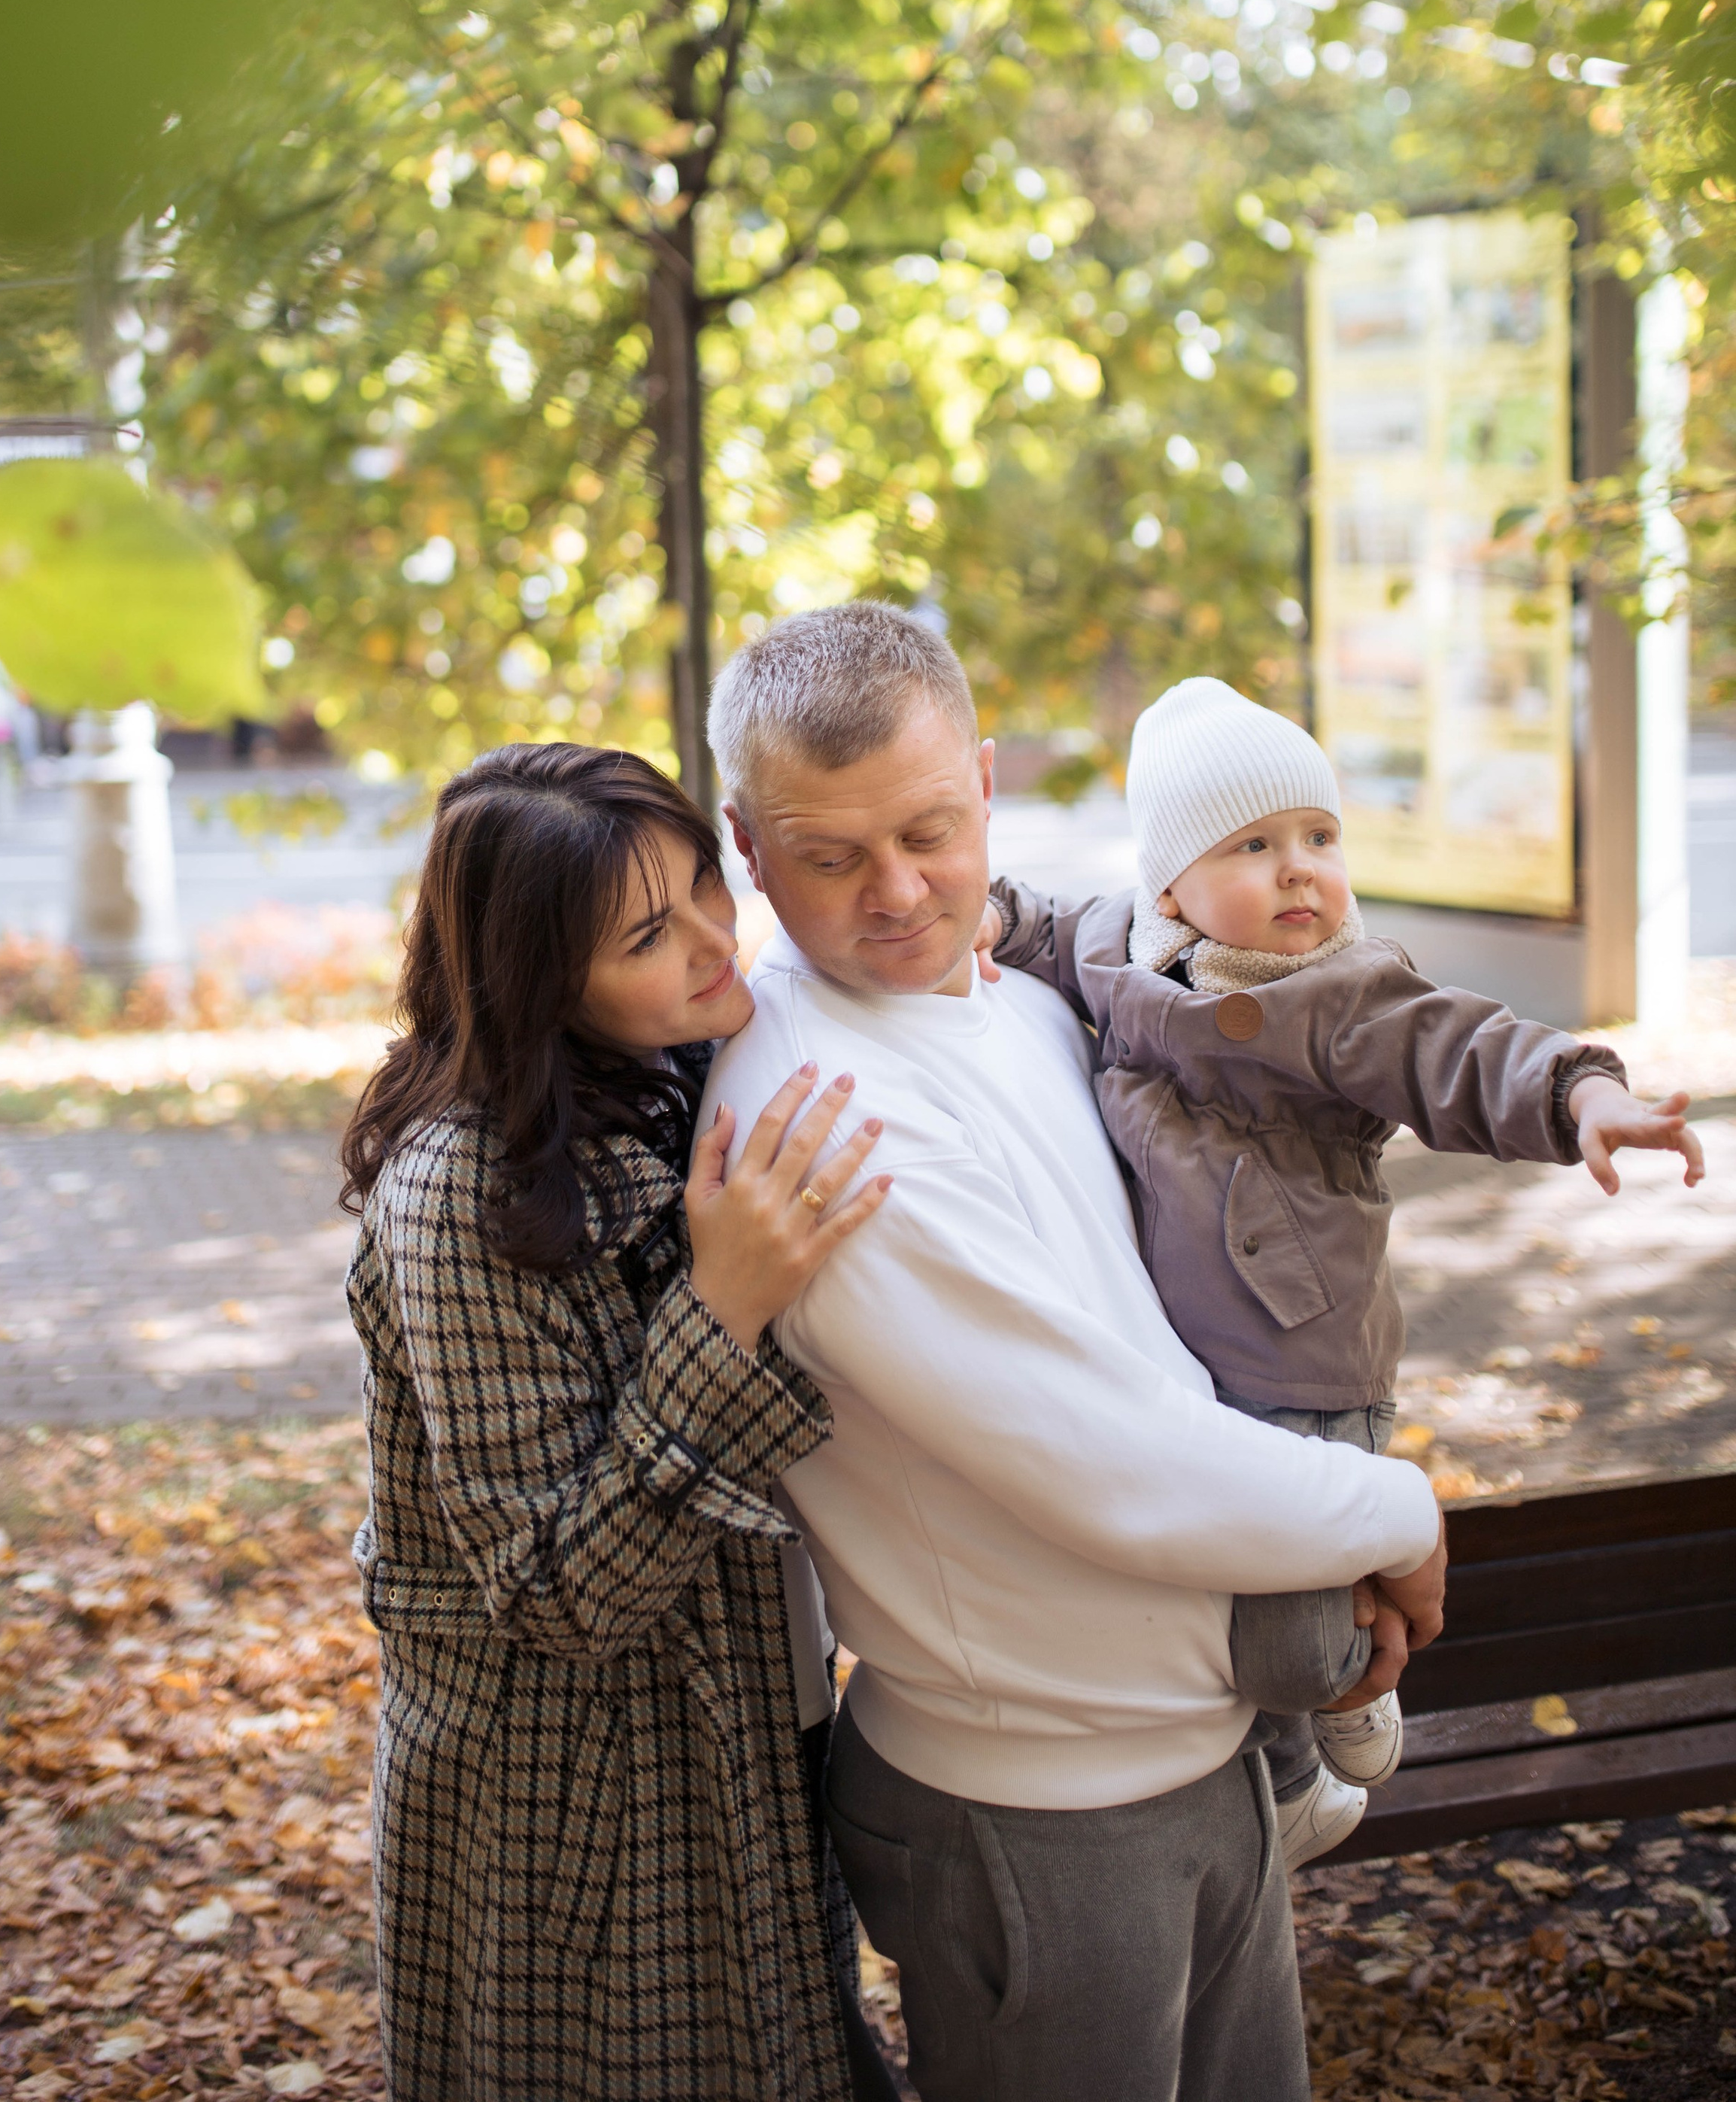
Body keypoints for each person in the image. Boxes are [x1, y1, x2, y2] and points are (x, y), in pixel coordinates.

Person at [700, 603, 1447, 2102]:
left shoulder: (1024, 1004)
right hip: (1031, 1801)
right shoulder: (811, 1120)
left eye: (925, 830)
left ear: (982, 784)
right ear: (745, 842)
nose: (897, 894)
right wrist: (1393, 1513)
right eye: (830, 857)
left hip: (1190, 1753)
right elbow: (1110, 1463)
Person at [983, 670, 1705, 1862]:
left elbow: (1461, 1049)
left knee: (1289, 1641)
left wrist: (1584, 1094)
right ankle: (1287, 1780)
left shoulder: (1341, 994)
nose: (1302, 868)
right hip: (1178, 1380)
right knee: (1213, 1612)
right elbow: (1042, 923)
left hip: (1306, 1362)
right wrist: (990, 918)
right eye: (1256, 844)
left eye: (1320, 836)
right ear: (1169, 883)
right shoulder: (1117, 952)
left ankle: (1350, 1690)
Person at [340, 742, 900, 2102]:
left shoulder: (672, 1069)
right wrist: (722, 1311)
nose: (720, 940)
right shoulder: (458, 1198)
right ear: (542, 980)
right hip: (568, 1809)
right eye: (651, 933)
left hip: (739, 1758)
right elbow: (553, 1594)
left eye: (708, 882)